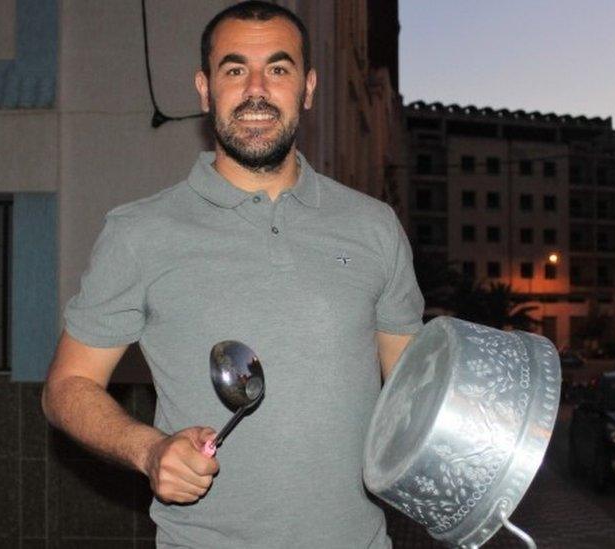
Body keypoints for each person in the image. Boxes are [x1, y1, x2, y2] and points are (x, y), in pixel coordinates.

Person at [41, 2, 424, 548]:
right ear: (205, 89)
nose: (257, 90)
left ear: (308, 87)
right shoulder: (141, 232)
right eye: (235, 69)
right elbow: (66, 386)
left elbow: (412, 392)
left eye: (280, 68)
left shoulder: (374, 227)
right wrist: (149, 450)